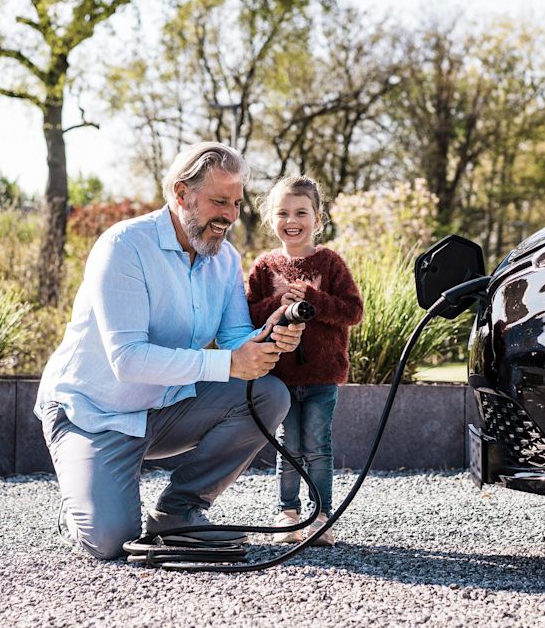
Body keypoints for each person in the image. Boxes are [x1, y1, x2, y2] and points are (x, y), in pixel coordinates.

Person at [34, 142, 305, 560]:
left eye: (236, 204)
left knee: (268, 394)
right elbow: (127, 360)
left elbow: (234, 339)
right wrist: (230, 362)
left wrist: (269, 337)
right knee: (110, 542)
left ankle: (177, 512)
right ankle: (78, 503)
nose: (230, 216)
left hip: (164, 407)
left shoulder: (224, 259)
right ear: (182, 194)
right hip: (93, 414)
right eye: (219, 202)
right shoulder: (124, 246)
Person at [246, 175, 363, 546]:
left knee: (317, 445)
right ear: (271, 219)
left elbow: (352, 311)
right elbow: (248, 314)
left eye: (300, 212)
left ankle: (321, 514)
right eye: (282, 213)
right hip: (279, 377)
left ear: (318, 218)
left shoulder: (330, 263)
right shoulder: (264, 267)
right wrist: (276, 304)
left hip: (321, 376)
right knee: (288, 445)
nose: (291, 220)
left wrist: (313, 299)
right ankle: (288, 512)